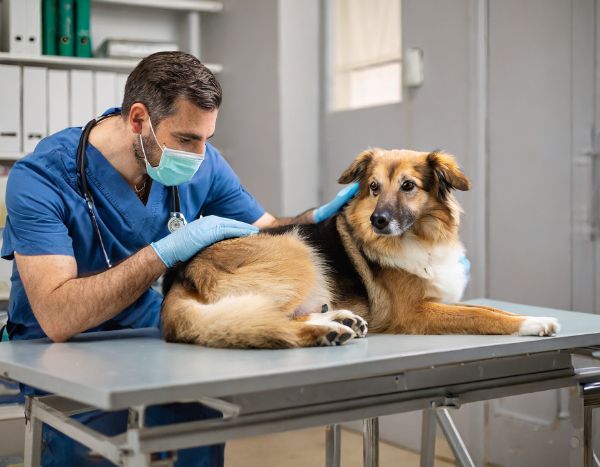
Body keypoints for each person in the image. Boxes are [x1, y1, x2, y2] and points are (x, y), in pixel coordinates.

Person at [0, 51, 358, 467]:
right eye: (187, 139)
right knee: (83, 444)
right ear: (139, 120)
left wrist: (320, 219)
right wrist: (163, 252)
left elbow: (266, 228)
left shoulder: (202, 162)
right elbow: (59, 317)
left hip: (144, 333)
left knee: (202, 416)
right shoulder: (41, 178)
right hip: (55, 349)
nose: (200, 154)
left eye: (207, 138)